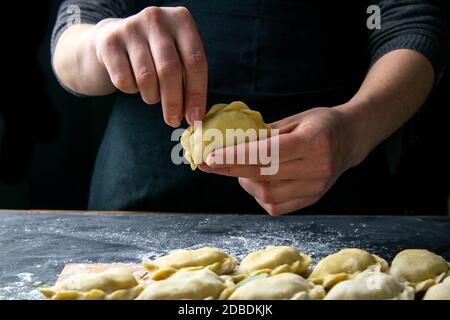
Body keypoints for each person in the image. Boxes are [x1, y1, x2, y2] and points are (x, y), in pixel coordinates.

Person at [51, 0, 448, 215]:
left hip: (334, 189)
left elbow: (411, 24)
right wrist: (102, 42)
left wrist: (353, 130)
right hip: (144, 193)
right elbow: (73, 35)